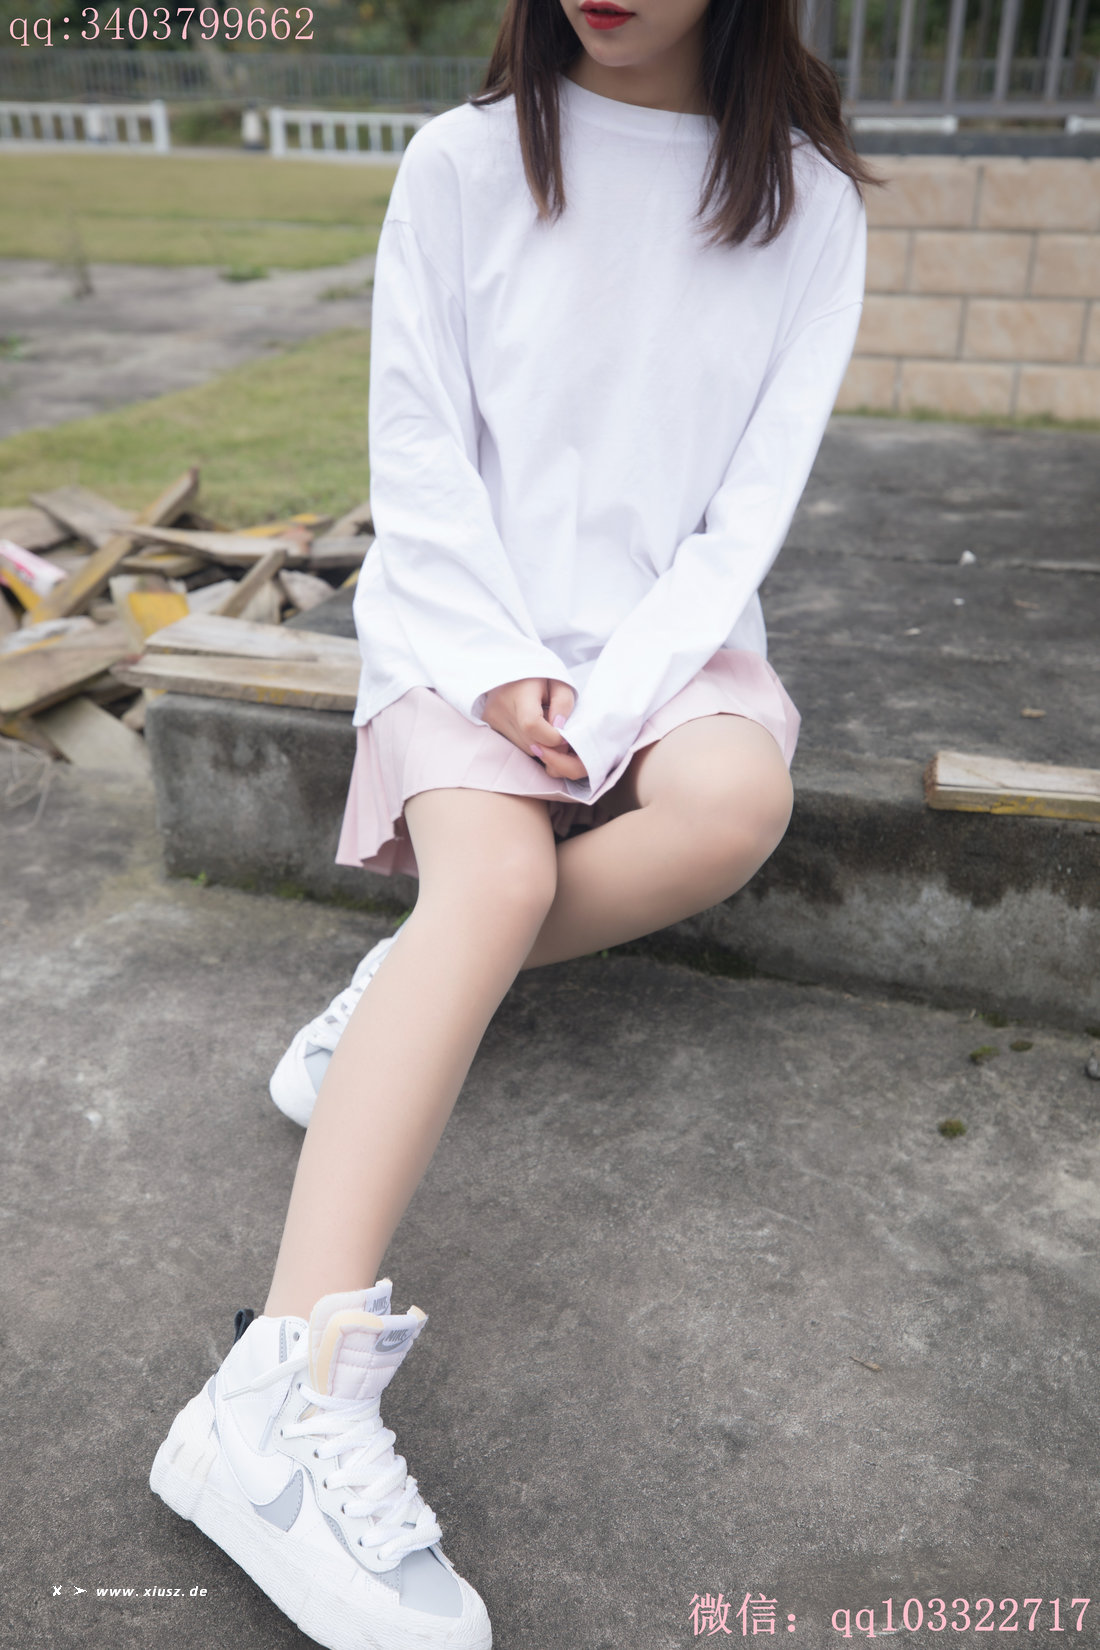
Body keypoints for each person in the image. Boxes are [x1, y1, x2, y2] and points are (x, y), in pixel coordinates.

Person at [149, 3, 874, 1647]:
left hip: (668, 642)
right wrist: (493, 669)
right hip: (454, 621)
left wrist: (608, 703)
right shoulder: (461, 163)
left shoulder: (812, 206)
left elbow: (747, 512)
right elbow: (417, 455)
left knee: (735, 800)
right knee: (492, 876)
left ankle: (397, 996)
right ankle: (273, 1404)